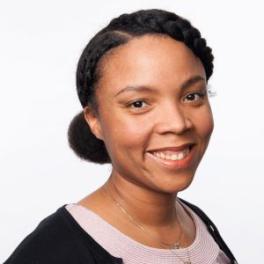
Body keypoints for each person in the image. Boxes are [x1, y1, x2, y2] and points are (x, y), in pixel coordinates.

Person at [4, 9, 238, 264]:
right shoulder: (52, 253)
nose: (178, 123)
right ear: (94, 120)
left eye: (192, 96)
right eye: (138, 103)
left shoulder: (198, 225)